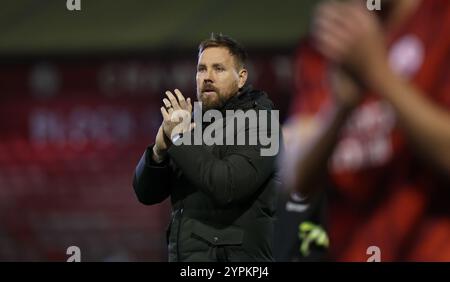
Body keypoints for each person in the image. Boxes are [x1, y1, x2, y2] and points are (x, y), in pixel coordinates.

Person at [283, 0, 450, 261]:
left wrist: (378, 74)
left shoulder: (440, 19)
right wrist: (340, 109)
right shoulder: (332, 39)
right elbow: (294, 176)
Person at [133, 33, 281, 262]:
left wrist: (181, 138)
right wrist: (158, 152)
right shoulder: (193, 121)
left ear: (241, 78)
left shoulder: (261, 122)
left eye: (218, 69)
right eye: (201, 69)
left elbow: (227, 187)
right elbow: (146, 194)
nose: (207, 77)